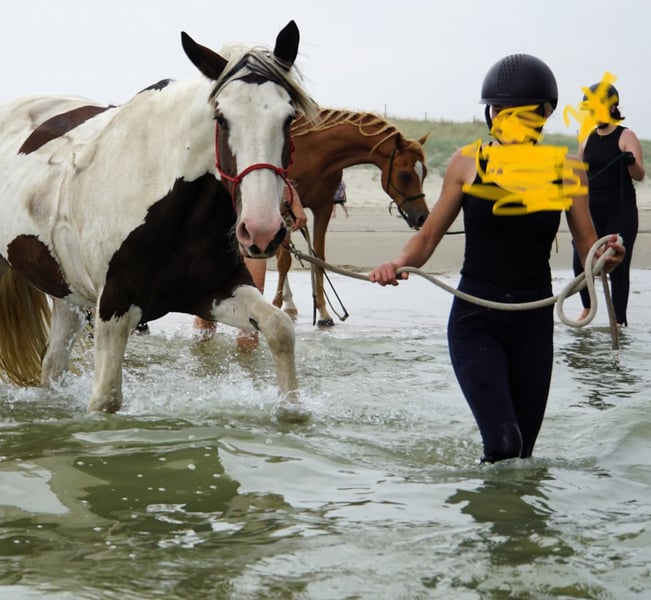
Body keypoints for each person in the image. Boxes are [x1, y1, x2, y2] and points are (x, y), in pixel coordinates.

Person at [368, 54, 625, 464]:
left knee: (523, 455)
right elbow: (428, 236)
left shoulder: (568, 170)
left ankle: (507, 507)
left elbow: (587, 245)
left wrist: (606, 258)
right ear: (491, 114)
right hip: (476, 319)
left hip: (533, 321)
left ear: (544, 114)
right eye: (500, 111)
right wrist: (395, 264)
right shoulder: (467, 163)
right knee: (504, 444)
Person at [193, 183, 308, 351]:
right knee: (206, 314)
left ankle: (249, 366)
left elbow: (272, 172)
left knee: (252, 317)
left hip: (253, 229)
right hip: (214, 225)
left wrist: (294, 200)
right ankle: (202, 360)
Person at [572, 82, 645, 326]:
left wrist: (630, 161)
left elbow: (639, 175)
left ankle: (618, 322)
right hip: (591, 209)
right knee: (580, 262)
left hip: (620, 210)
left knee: (618, 268)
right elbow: (579, 175)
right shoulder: (587, 139)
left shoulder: (626, 136)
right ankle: (587, 309)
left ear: (612, 107)